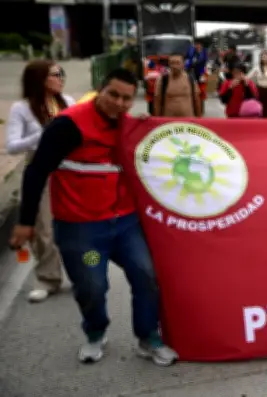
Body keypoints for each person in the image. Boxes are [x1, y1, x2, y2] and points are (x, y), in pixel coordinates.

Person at [7, 68, 178, 366]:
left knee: (146, 275)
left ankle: (149, 336)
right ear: (100, 90)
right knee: (93, 286)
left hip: (125, 226)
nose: (119, 103)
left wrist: (147, 128)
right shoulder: (68, 126)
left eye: (126, 99)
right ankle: (96, 332)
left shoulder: (128, 126)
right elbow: (36, 172)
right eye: (113, 95)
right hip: (83, 233)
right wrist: (26, 222)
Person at [5, 61, 74, 303]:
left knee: (76, 228)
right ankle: (48, 278)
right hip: (39, 170)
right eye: (55, 74)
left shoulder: (69, 102)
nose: (61, 78)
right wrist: (44, 132)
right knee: (43, 229)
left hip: (69, 170)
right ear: (41, 79)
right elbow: (12, 146)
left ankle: (84, 273)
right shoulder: (22, 108)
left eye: (61, 73)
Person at [153, 53, 201, 117]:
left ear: (183, 64)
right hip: (168, 120)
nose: (174, 66)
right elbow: (157, 101)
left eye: (177, 63)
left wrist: (199, 118)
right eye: (172, 63)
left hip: (188, 120)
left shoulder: (190, 79)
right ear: (169, 64)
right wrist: (157, 119)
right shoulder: (163, 79)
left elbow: (196, 99)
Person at [246, 51, 267, 118]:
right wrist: (252, 84)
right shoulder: (257, 68)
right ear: (261, 58)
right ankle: (261, 122)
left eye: (266, 57)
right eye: (263, 57)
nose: (265, 58)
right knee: (260, 108)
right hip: (260, 90)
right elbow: (248, 77)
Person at [185, 41, 208, 114]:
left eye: (199, 45)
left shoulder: (203, 52)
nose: (198, 46)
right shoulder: (191, 51)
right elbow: (187, 60)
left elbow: (204, 62)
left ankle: (200, 109)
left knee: (201, 91)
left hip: (200, 73)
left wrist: (202, 74)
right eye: (196, 45)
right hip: (191, 73)